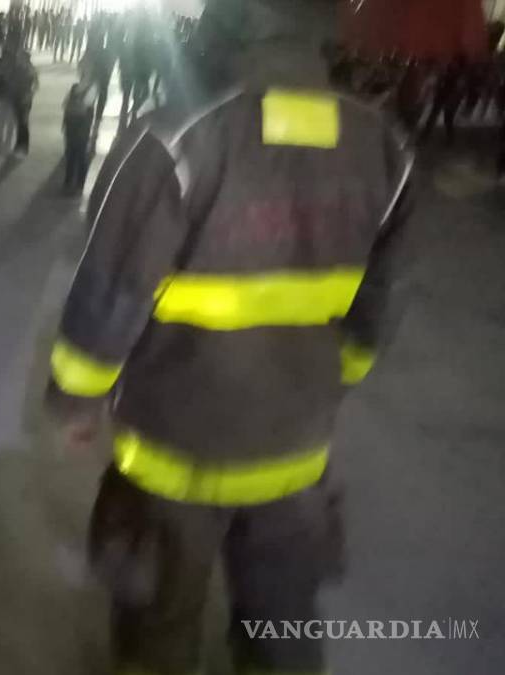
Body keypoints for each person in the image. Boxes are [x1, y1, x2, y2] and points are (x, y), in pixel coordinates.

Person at [46, 1, 414, 674]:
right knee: (281, 625)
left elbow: (112, 288)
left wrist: (75, 399)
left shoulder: (175, 137)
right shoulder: (384, 146)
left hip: (174, 451)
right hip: (295, 450)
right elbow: (379, 303)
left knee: (158, 624)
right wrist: (332, 376)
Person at [62, 79, 94, 194]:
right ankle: (72, 181)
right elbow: (65, 106)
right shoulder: (79, 89)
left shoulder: (90, 90)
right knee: (73, 154)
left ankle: (76, 182)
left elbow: (67, 107)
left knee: (78, 155)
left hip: (79, 127)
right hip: (74, 127)